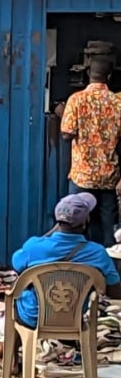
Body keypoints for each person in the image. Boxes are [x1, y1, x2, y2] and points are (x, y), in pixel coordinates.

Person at [0, 193, 121, 368]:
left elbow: (16, 264)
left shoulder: (34, 246)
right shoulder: (97, 253)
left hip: (32, 317)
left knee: (13, 303)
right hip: (73, 318)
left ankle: (9, 356)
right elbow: (114, 290)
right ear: (86, 221)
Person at [60, 56, 121, 247]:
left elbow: (66, 134)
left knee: (74, 226)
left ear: (87, 74)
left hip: (82, 176)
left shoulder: (76, 100)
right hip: (109, 177)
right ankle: (109, 271)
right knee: (107, 229)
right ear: (109, 76)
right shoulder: (118, 103)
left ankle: (81, 270)